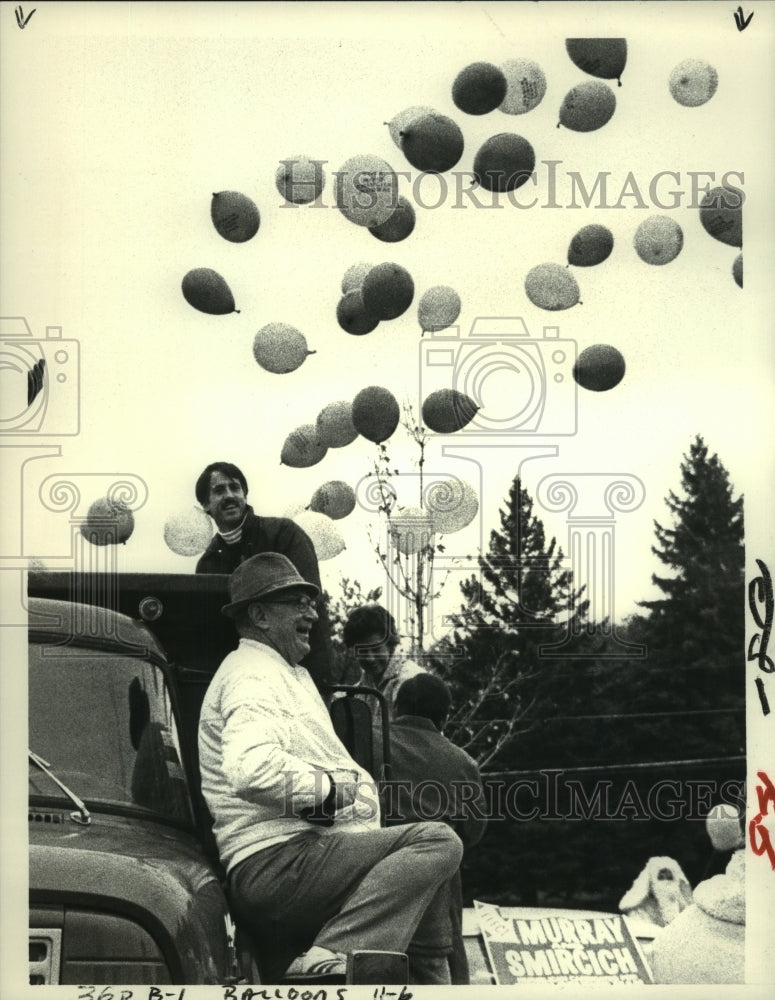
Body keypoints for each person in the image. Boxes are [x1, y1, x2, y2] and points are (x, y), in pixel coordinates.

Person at [197, 553, 464, 984]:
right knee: (438, 841)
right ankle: (334, 953)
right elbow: (249, 768)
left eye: (312, 601)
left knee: (433, 875)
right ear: (259, 615)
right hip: (278, 863)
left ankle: (431, 983)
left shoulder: (286, 673)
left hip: (301, 855)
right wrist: (328, 790)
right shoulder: (251, 675)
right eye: (296, 601)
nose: (313, 613)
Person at [385, 673, 488, 985]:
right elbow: (474, 830)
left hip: (373, 871)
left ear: (396, 709)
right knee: (444, 964)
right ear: (445, 716)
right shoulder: (462, 763)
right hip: (438, 888)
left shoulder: (369, 741)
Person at [194, 461, 333, 684]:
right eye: (219, 490)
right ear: (205, 505)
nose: (229, 495)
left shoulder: (284, 533)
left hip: (302, 669)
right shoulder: (208, 564)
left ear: (245, 495)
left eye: (235, 488)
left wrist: (319, 680)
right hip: (245, 678)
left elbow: (307, 602)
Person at [341, 604, 425, 715]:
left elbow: (413, 731)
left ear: (390, 644)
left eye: (376, 649)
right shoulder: (360, 688)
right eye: (362, 651)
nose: (370, 658)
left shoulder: (410, 681)